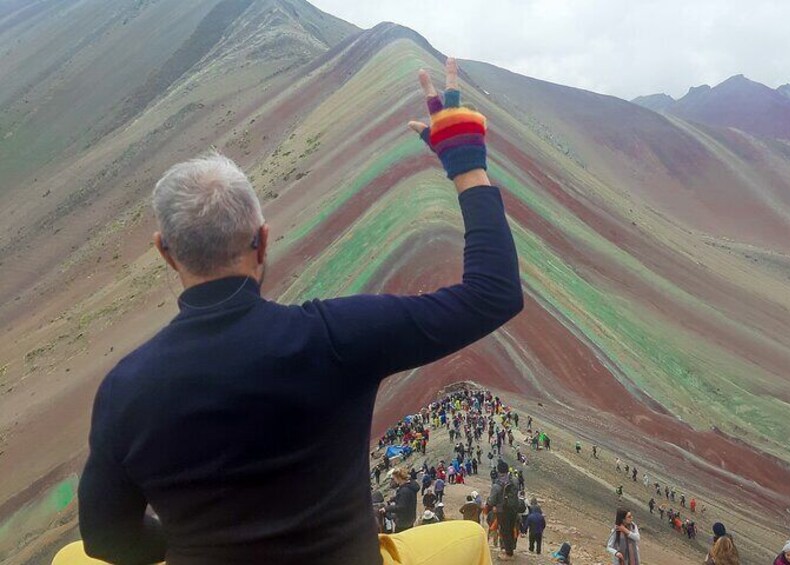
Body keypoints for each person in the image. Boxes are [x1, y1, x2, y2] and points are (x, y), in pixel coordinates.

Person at [62, 56, 516, 565]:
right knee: (469, 540)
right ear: (262, 240)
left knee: (71, 557)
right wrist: (466, 165)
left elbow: (107, 539)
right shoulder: (337, 336)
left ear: (164, 252)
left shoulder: (126, 388)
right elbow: (492, 294)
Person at [488, 460, 525, 560]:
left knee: (505, 531)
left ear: (499, 471)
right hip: (513, 509)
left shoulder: (497, 485)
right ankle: (510, 549)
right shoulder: (515, 480)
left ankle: (509, 553)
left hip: (502, 510)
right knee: (511, 528)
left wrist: (491, 504)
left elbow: (491, 501)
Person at [385, 468, 421, 533]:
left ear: (398, 478)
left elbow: (401, 507)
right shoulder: (410, 486)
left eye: (394, 478)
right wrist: (395, 498)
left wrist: (386, 508)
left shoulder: (404, 491)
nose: (394, 481)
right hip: (410, 518)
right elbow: (406, 500)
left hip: (403, 522)